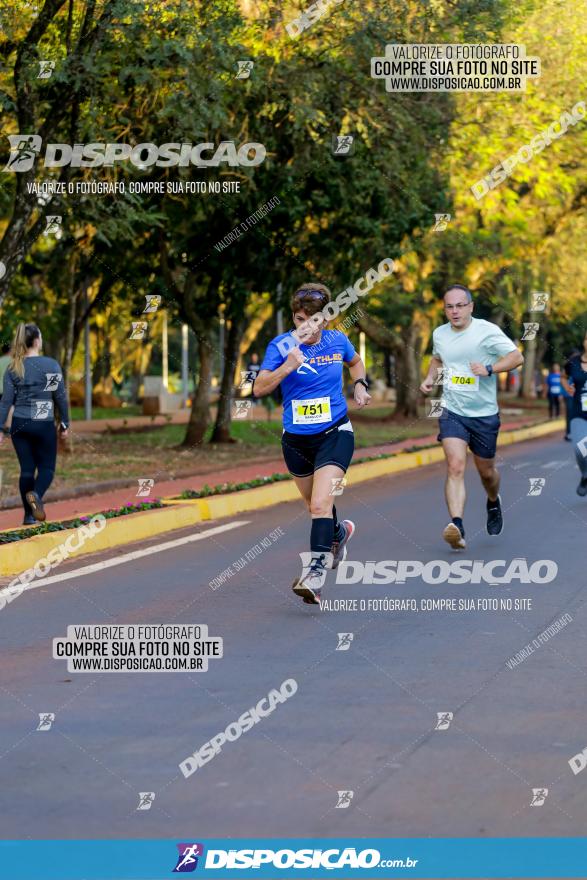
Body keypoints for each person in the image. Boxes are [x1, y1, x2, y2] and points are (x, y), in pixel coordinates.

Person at [254, 283, 371, 604]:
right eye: (303, 320)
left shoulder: (338, 340)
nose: (309, 328)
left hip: (335, 433)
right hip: (295, 441)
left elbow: (356, 362)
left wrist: (360, 384)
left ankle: (314, 578)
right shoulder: (280, 346)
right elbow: (259, 388)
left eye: (317, 320)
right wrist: (287, 367)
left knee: (321, 504)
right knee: (315, 506)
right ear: (295, 317)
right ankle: (338, 534)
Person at [420, 284, 524, 549]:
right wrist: (430, 378)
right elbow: (437, 358)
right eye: (449, 306)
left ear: (470, 307)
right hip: (452, 410)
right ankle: (458, 525)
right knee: (455, 466)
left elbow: (516, 357)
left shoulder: (487, 331)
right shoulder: (440, 333)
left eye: (460, 306)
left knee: (487, 473)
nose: (454, 311)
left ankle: (493, 501)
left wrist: (490, 368)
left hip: (484, 414)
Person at [0, 323, 70, 524]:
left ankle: (28, 516)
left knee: (27, 470)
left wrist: (0, 429)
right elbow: (60, 398)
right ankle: (36, 496)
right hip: (43, 423)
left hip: (20, 425)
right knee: (47, 468)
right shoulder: (50, 365)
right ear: (37, 341)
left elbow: (6, 402)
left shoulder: (14, 367)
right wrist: (64, 423)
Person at [561, 332, 587, 496]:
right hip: (579, 412)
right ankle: (585, 475)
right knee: (580, 448)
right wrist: (567, 387)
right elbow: (564, 377)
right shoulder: (574, 361)